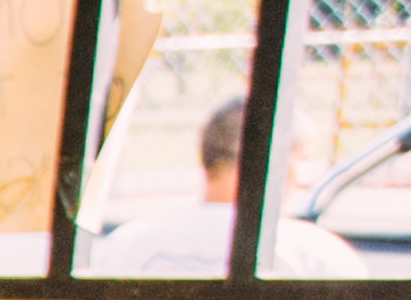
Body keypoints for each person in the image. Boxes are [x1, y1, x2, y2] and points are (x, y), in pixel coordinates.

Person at [87, 95, 370, 280]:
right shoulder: (318, 257)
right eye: (303, 159)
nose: (306, 177)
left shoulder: (124, 246)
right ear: (273, 162)